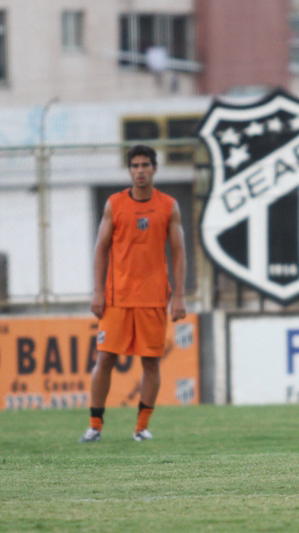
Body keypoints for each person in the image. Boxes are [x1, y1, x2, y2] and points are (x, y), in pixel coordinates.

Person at [79, 144, 187, 442]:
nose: (140, 170)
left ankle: (141, 428)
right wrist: (98, 291)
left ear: (154, 169)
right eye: (135, 166)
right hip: (117, 298)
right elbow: (101, 249)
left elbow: (178, 253)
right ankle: (95, 426)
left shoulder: (168, 206)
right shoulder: (114, 204)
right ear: (129, 171)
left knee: (151, 363)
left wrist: (179, 296)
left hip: (153, 298)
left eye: (145, 165)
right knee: (105, 360)